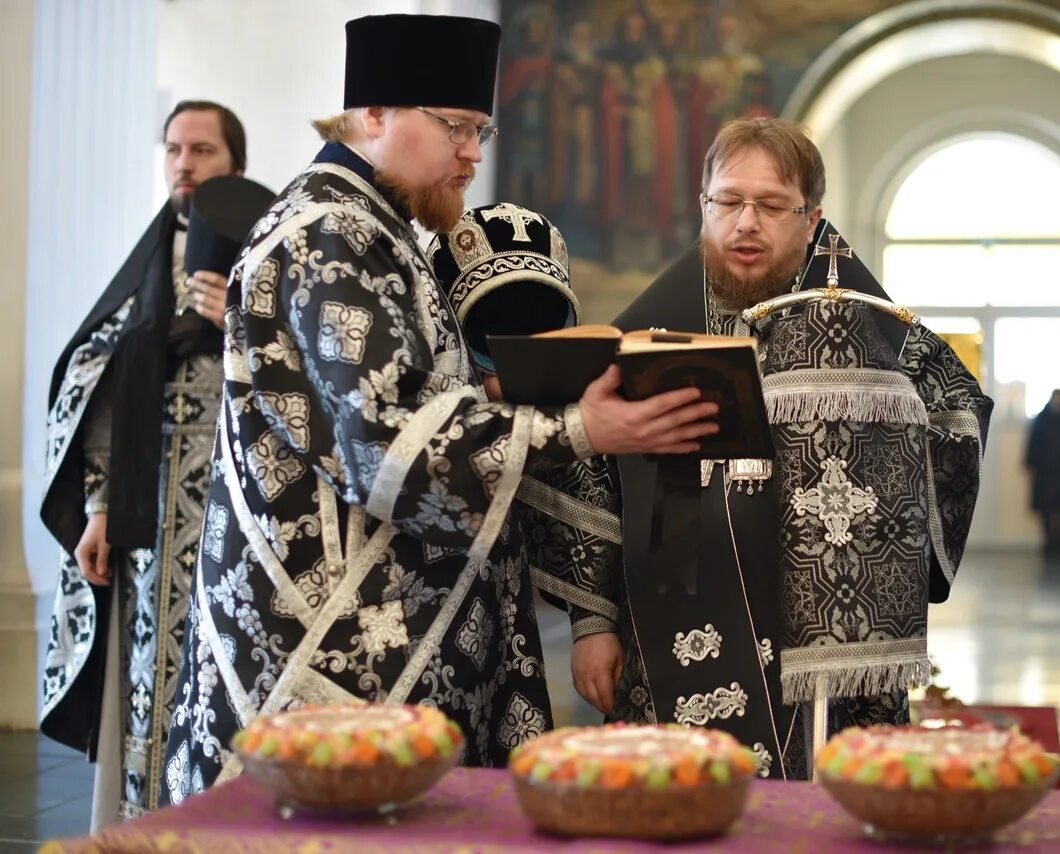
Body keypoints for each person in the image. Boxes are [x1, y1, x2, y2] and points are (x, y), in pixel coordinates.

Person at [161, 14, 718, 805]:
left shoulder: (373, 229)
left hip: (376, 644)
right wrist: (585, 429)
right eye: (456, 127)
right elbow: (385, 444)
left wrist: (498, 392)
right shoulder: (328, 235)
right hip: (326, 654)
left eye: (481, 130)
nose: (473, 154)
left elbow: (385, 399)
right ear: (374, 114)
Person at [533, 118, 992, 779]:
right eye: (728, 202)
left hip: (824, 663)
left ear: (811, 220)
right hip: (668, 636)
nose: (746, 222)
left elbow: (960, 416)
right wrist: (590, 625)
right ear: (704, 205)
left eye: (772, 205)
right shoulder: (648, 326)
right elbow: (591, 473)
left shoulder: (866, 326)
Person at [38, 100, 252, 825]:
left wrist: (245, 327)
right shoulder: (148, 266)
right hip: (147, 519)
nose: (184, 163)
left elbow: (320, 389)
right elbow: (97, 386)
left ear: (235, 166)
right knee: (146, 686)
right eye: (173, 149)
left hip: (241, 519)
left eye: (202, 151)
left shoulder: (272, 259)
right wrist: (97, 506)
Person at [1024, 389, 1060, 557]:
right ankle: (1049, 542)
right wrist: (1029, 462)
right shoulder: (1042, 418)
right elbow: (1033, 442)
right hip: (1045, 473)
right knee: (1045, 509)